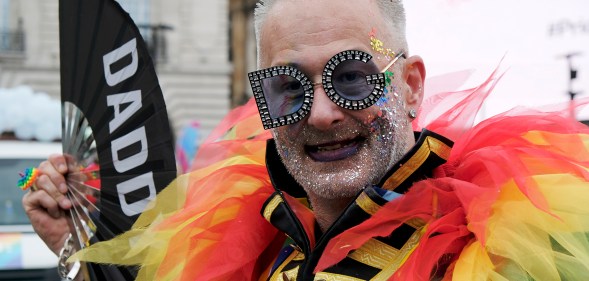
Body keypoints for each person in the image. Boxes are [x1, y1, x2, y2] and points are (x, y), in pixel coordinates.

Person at [22, 0, 589, 280]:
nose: (320, 114)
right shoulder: (251, 238)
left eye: (352, 78)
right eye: (288, 86)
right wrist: (75, 250)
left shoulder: (502, 246)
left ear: (410, 86)